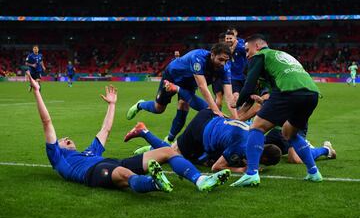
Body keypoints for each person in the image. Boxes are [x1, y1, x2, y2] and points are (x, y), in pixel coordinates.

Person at [27, 72, 230, 193]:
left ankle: (200, 180)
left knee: (168, 152)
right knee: (125, 175)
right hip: (94, 174)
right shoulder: (58, 159)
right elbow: (47, 122)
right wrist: (37, 91)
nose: (66, 139)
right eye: (63, 140)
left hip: (112, 161)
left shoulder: (90, 152)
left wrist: (112, 105)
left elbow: (105, 129)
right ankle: (153, 183)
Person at [231, 34, 322, 187]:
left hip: (288, 92)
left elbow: (248, 85)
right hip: (312, 94)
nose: (247, 55)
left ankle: (251, 174)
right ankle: (313, 172)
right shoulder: (282, 54)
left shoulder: (260, 55)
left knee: (256, 127)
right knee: (288, 133)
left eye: (247, 50)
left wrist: (236, 103)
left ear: (257, 46)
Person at [127, 43, 237, 144]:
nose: (223, 63)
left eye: (226, 61)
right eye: (221, 59)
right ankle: (139, 105)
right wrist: (216, 111)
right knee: (158, 109)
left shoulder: (225, 67)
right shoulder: (198, 58)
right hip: (172, 76)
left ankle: (169, 140)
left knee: (184, 106)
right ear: (212, 55)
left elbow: (228, 95)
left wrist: (236, 118)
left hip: (189, 83)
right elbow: (202, 87)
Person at [125, 109, 282, 173]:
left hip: (210, 118)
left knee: (193, 156)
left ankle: (146, 140)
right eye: (262, 163)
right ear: (264, 157)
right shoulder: (241, 146)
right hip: (199, 131)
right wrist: (241, 170)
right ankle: (143, 131)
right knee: (173, 154)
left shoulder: (256, 134)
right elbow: (216, 167)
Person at [225, 30, 247, 102]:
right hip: (233, 77)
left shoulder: (241, 48)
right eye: (227, 38)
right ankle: (237, 112)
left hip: (244, 76)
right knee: (235, 96)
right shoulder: (224, 48)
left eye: (230, 38)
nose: (228, 40)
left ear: (235, 38)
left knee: (246, 97)